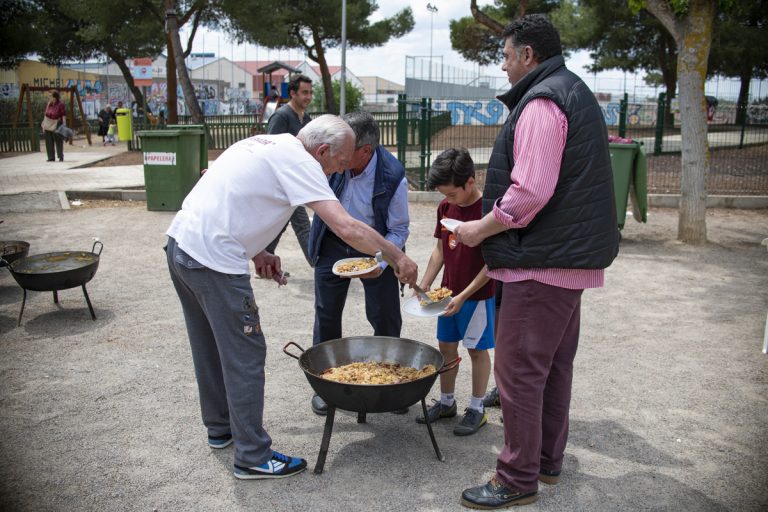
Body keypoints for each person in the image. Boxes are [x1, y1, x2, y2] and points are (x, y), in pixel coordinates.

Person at [165, 114, 418, 481]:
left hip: (181, 245)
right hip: (215, 263)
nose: (340, 170)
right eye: (340, 162)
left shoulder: (262, 143)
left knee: (208, 347)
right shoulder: (303, 161)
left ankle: (221, 429)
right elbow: (345, 225)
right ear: (322, 150)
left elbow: (221, 195)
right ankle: (252, 455)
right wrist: (397, 257)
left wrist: (257, 251)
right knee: (245, 355)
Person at [454, 15, 620, 509]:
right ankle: (545, 461)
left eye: (505, 56)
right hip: (566, 262)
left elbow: (529, 194)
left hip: (539, 263)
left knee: (521, 371)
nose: (503, 67)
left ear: (528, 55)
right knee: (552, 367)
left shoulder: (543, 100)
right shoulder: (573, 90)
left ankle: (515, 477)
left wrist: (477, 229)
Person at [307, 111, 410, 416]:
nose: (337, 156)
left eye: (344, 150)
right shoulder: (332, 162)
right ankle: (325, 385)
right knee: (326, 314)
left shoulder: (393, 175)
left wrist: (381, 259)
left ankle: (392, 383)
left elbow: (399, 229)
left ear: (364, 150)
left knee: (385, 315)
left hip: (374, 248)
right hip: (332, 242)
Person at [413, 148, 495, 436]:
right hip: (447, 294)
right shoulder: (445, 208)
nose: (447, 200)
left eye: (451, 194)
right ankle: (447, 402)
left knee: (476, 349)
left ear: (470, 182)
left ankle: (477, 408)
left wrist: (465, 296)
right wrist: (424, 284)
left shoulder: (488, 212)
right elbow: (439, 251)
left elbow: (492, 263)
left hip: (477, 297)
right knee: (446, 347)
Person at [265, 74, 315, 266]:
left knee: (282, 222)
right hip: (284, 182)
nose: (308, 97)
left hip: (297, 180)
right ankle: (317, 264)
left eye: (310, 92)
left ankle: (264, 258)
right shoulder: (281, 117)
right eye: (304, 92)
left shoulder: (306, 118)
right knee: (302, 225)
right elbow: (271, 150)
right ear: (292, 93)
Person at [42, 90, 66, 162]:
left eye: (50, 96)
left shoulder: (60, 104)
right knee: (48, 141)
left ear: (55, 97)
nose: (49, 98)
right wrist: (43, 125)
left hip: (57, 124)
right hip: (48, 124)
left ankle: (60, 156)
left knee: (58, 140)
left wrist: (64, 125)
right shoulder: (49, 104)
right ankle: (51, 157)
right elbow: (45, 115)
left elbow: (63, 115)